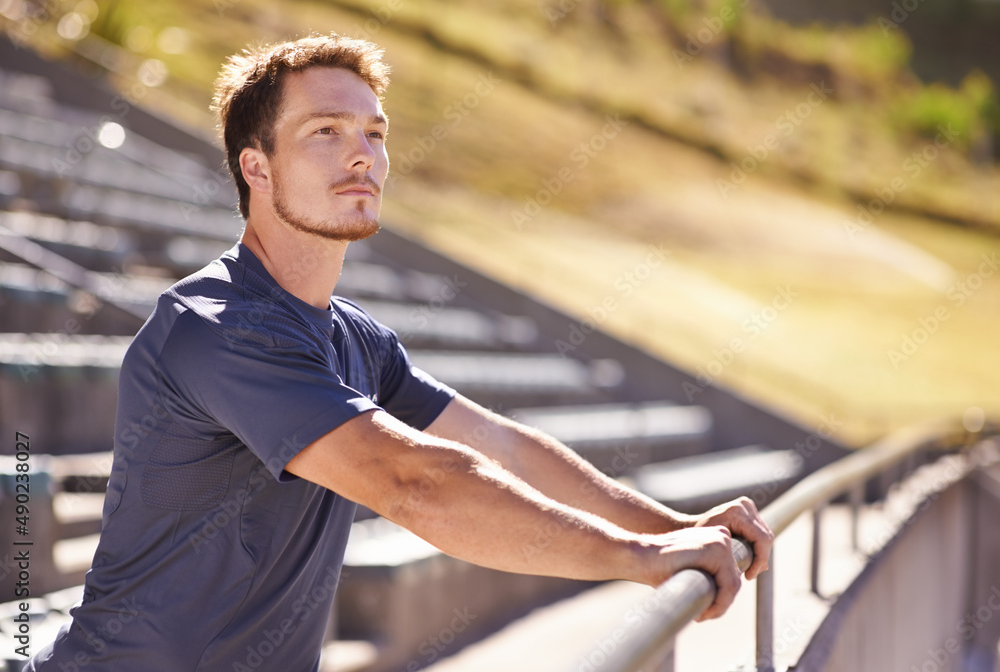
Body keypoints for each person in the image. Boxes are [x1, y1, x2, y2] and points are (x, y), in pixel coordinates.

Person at [27, 34, 773, 671]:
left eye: (375, 134)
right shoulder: (217, 323)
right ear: (256, 167)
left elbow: (499, 443)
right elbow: (413, 481)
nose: (363, 156)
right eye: (326, 131)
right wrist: (638, 561)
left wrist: (668, 527)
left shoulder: (354, 335)